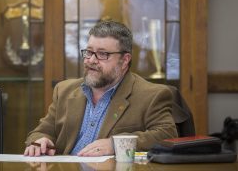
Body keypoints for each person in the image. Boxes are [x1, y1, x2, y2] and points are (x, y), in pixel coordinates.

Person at [24, 20, 178, 157]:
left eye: (102, 54)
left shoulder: (151, 95)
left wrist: (115, 144)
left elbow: (167, 134)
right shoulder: (64, 90)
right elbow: (42, 131)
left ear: (124, 60)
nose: (91, 60)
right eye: (89, 52)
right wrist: (40, 141)